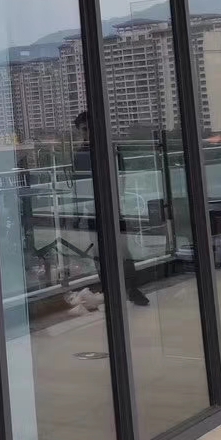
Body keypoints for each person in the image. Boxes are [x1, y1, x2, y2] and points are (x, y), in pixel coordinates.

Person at [73, 109, 151, 307]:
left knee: (123, 250)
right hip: (93, 210)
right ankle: (110, 290)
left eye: (88, 128)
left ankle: (131, 289)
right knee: (99, 253)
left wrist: (117, 201)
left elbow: (121, 177)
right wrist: (79, 214)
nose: (86, 133)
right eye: (83, 130)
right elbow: (79, 186)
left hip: (113, 207)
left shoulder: (111, 149)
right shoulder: (82, 154)